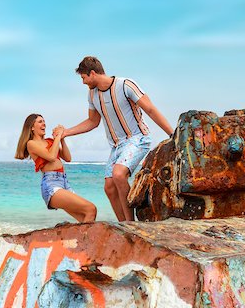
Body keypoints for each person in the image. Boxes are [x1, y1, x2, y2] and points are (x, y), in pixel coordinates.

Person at [59, 56, 174, 222]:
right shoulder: (92, 95)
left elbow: (150, 109)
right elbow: (92, 121)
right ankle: (121, 224)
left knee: (119, 174)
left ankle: (130, 224)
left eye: (84, 78)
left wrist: (172, 134)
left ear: (92, 73)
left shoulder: (125, 85)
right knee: (109, 187)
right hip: (117, 146)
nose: (83, 82)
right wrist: (66, 132)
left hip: (138, 138)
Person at [14, 113, 97, 223]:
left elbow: (68, 158)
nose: (44, 123)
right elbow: (51, 157)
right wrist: (58, 136)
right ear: (32, 127)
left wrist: (62, 138)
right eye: (40, 121)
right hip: (51, 185)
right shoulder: (31, 144)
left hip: (64, 182)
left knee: (85, 217)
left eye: (44, 121)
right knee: (91, 209)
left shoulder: (50, 141)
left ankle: (83, 239)